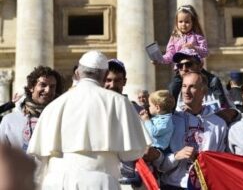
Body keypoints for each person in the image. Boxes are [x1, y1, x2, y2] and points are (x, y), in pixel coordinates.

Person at [27, 50, 151, 190]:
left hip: (56, 182)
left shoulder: (53, 106)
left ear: (77, 74)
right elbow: (134, 152)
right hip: (99, 182)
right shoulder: (119, 102)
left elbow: (39, 158)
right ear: (105, 76)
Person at [155, 72, 228, 189]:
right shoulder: (171, 121)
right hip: (173, 186)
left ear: (204, 91)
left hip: (205, 186)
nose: (186, 91)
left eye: (192, 87)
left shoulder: (219, 124)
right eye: (184, 86)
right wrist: (176, 156)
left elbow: (220, 165)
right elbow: (160, 165)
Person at [0, 66, 63, 151]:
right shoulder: (9, 121)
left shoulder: (62, 119)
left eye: (52, 87)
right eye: (43, 85)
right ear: (31, 87)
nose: (48, 90)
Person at [168, 48, 238, 124]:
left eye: (189, 64)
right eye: (180, 66)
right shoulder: (176, 92)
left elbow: (236, 112)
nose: (184, 69)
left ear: (200, 65)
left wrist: (228, 113)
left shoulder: (215, 87)